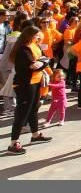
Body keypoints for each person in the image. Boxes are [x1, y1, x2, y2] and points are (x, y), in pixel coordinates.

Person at [7, 24, 53, 155]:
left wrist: (43, 62)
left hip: (35, 82)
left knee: (33, 109)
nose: (39, 36)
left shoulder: (35, 46)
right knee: (22, 113)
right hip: (24, 84)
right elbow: (34, 66)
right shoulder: (23, 50)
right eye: (36, 34)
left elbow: (44, 60)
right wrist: (43, 62)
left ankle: (35, 135)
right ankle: (13, 143)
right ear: (30, 36)